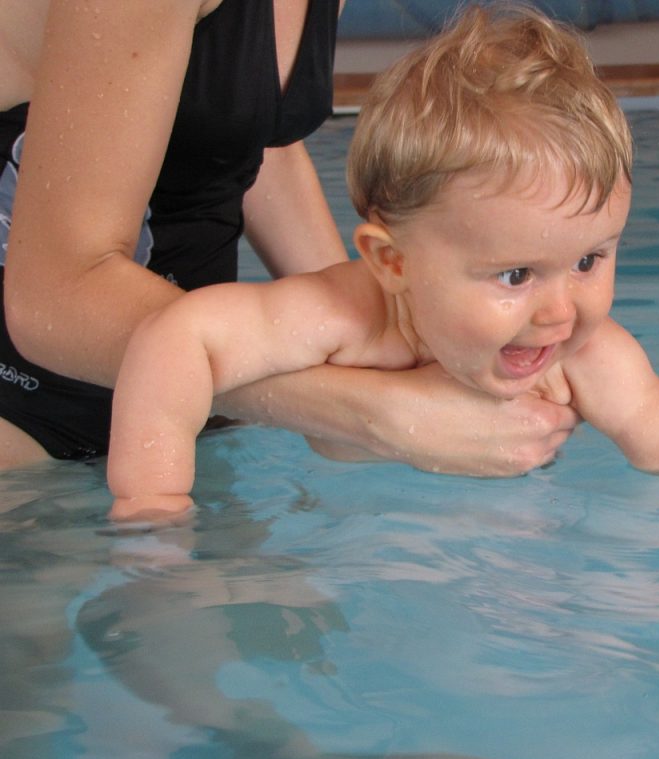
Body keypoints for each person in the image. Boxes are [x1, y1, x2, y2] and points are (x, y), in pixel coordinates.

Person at [106, 4, 659, 537]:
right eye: (515, 275)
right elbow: (179, 338)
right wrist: (155, 510)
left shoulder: (583, 356)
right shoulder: (341, 319)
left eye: (588, 259)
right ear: (392, 261)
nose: (559, 310)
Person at [0, 1, 576, 477]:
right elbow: (52, 298)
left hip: (191, 413)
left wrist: (376, 338)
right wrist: (366, 410)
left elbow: (246, 129)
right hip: (20, 419)